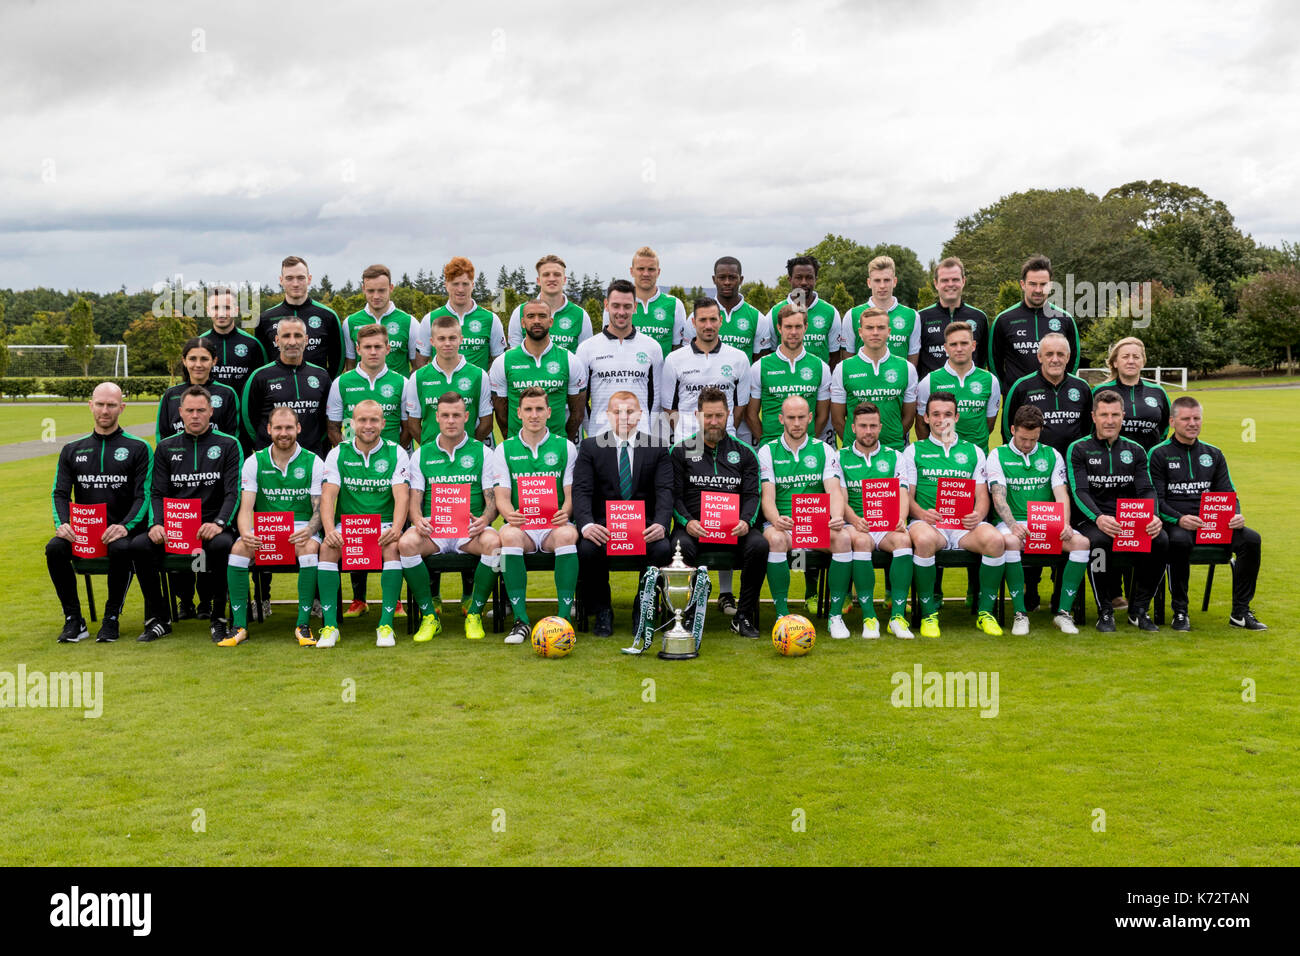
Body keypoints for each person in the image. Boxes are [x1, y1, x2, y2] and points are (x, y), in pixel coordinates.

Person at [129, 386, 242, 643]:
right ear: (180, 413)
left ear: (211, 411)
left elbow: (232, 492)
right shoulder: (166, 447)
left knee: (223, 545)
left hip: (212, 525)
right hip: (176, 527)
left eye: (201, 410)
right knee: (139, 546)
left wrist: (219, 523)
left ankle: (218, 617)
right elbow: (157, 492)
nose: (195, 416)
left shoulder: (228, 444)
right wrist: (156, 524)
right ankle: (158, 618)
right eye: (189, 411)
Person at [1148, 396, 1265, 631]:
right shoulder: (1158, 454)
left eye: (1197, 418)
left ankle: (1240, 612)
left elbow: (1229, 492)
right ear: (1172, 421)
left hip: (1214, 525)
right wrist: (1179, 519)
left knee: (1251, 539)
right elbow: (1156, 501)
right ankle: (1180, 612)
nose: (1192, 423)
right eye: (1186, 419)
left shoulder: (1214, 453)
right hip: (1177, 523)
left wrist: (1236, 514)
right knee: (1179, 541)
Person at [47, 383, 152, 644]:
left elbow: (145, 495)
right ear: (91, 405)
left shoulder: (139, 447)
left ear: (122, 408)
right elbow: (60, 493)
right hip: (84, 534)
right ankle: (74, 619)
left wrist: (126, 526)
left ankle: (111, 618)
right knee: (55, 548)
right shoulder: (72, 449)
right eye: (101, 404)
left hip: (121, 531)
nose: (105, 410)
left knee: (121, 548)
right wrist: (63, 524)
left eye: (111, 405)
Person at [900, 391, 1007, 638]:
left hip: (962, 525)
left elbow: (982, 495)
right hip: (928, 523)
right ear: (925, 418)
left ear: (957, 416)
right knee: (924, 541)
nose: (942, 419)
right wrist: (922, 514)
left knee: (995, 540)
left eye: (948, 414)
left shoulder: (974, 452)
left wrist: (978, 515)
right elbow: (907, 496)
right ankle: (928, 614)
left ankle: (985, 613)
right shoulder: (914, 451)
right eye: (935, 414)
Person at [1000, 331, 1092, 612]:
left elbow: (1087, 431)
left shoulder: (1082, 388)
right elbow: (1008, 429)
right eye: (1049, 354)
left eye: (1060, 354)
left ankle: (1060, 594)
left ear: (1068, 358)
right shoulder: (1022, 386)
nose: (1055, 359)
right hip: (1032, 474)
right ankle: (1030, 590)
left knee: (1064, 531)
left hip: (1070, 476)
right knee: (1032, 529)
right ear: (1039, 356)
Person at [400, 393, 502, 644]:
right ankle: (428, 616)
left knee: (495, 543)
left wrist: (485, 519)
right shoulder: (421, 454)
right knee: (406, 543)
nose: (451, 420)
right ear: (436, 418)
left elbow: (493, 501)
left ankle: (475, 613)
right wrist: (417, 520)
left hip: (469, 530)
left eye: (457, 415)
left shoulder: (484, 452)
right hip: (434, 529)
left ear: (467, 417)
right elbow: (415, 499)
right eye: (445, 415)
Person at [220, 406, 324, 647]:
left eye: (289, 427)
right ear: (269, 430)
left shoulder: (314, 462)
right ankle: (239, 626)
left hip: (301, 529)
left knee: (309, 549)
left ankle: (303, 624)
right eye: (278, 427)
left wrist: (309, 530)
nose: (283, 432)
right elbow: (246, 508)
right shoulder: (255, 461)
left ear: (298, 429)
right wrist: (246, 533)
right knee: (237, 551)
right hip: (266, 529)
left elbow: (319, 510)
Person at [1065, 390, 1169, 632]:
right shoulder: (1078, 449)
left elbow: (1146, 489)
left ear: (1123, 416)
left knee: (1160, 540)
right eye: (1103, 415)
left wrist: (1152, 515)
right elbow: (1080, 491)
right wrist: (1098, 518)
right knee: (1099, 542)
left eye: (1114, 415)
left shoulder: (1136, 450)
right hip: (1092, 519)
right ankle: (1105, 610)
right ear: (1093, 416)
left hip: (1129, 518)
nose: (1109, 421)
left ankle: (1139, 609)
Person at [572, 391, 674, 636]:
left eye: (630, 411)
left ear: (640, 415)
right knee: (587, 548)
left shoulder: (657, 447)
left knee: (662, 548)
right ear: (608, 415)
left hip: (644, 526)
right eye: (617, 412)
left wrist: (661, 523)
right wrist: (586, 525)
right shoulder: (590, 447)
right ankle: (603, 609)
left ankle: (644, 606)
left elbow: (665, 490)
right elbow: (581, 491)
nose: (624, 417)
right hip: (605, 526)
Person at [669, 387, 767, 638]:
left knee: (758, 545)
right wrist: (688, 521)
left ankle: (743, 616)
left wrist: (746, 522)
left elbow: (753, 496)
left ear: (729, 416)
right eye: (708, 416)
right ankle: (687, 615)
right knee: (680, 545)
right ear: (697, 415)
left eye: (719, 416)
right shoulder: (681, 451)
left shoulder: (745, 453)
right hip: (694, 529)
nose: (714, 422)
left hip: (733, 529)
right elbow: (673, 497)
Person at [986, 404, 1090, 636]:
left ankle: (1063, 613)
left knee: (1081, 543)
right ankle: (1020, 614)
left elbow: (1060, 492)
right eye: (1023, 438)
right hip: (1010, 523)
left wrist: (1064, 523)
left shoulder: (1051, 454)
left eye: (1033, 439)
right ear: (1012, 429)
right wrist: (1013, 525)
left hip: (1045, 522)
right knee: (1011, 542)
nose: (1027, 444)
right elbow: (998, 495)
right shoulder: (997, 455)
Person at [315, 400, 411, 649]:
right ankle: (330, 626)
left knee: (392, 548)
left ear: (383, 423)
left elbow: (402, 496)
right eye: (362, 420)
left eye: (374, 420)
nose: (368, 425)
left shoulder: (396, 451)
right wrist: (328, 531)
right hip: (348, 527)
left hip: (384, 526)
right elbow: (328, 496)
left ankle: (386, 624)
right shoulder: (338, 452)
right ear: (352, 423)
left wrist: (397, 529)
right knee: (327, 548)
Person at [758, 396, 854, 639]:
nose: (797, 423)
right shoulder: (768, 451)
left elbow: (832, 489)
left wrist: (837, 516)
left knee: (842, 539)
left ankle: (835, 616)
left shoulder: (824, 449)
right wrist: (776, 518)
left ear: (811, 418)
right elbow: (767, 496)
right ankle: (782, 615)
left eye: (802, 417)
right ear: (781, 419)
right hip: (785, 525)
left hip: (815, 525)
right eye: (791, 418)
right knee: (775, 539)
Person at [491, 388, 580, 645]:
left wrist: (567, 511)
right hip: (524, 527)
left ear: (549, 412)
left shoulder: (565, 446)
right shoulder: (504, 449)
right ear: (518, 413)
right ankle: (521, 620)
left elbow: (570, 492)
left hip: (554, 526)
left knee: (567, 535)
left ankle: (563, 621)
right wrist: (509, 514)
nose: (534, 415)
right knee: (506, 535)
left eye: (539, 409)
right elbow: (502, 496)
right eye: (528, 409)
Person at [836, 402, 916, 639]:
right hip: (857, 524)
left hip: (886, 524)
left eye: (872, 426)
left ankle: (897, 617)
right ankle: (869, 617)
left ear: (881, 427)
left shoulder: (895, 456)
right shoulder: (839, 457)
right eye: (863, 426)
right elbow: (840, 497)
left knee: (903, 541)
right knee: (860, 542)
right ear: (853, 428)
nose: (868, 431)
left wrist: (901, 519)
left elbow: (903, 492)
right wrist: (854, 518)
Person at [575, 279, 664, 437]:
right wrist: (594, 431)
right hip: (600, 439)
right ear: (606, 305)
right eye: (616, 306)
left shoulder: (652, 347)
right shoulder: (587, 349)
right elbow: (581, 402)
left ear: (635, 307)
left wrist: (647, 432)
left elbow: (655, 401)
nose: (621, 312)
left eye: (627, 306)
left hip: (640, 439)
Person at [490, 299, 588, 440]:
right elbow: (500, 414)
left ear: (551, 321)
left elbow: (577, 413)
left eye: (542, 316)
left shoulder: (570, 360)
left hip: (556, 449)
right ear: (523, 323)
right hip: (517, 449)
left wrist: (562, 442)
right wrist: (514, 443)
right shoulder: (503, 361)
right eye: (531, 316)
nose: (536, 321)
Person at [660, 297, 751, 444]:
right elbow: (669, 408)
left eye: (713, 319)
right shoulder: (674, 359)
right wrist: (686, 435)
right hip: (688, 442)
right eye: (702, 320)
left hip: (725, 441)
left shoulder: (739, 358)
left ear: (721, 321)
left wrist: (723, 430)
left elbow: (739, 408)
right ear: (693, 323)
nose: (708, 325)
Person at [242, 316, 332, 457]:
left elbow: (327, 419)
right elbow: (248, 422)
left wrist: (314, 444)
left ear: (306, 339)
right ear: (277, 341)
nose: (292, 342)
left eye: (297, 336)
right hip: (271, 459)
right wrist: (264, 447)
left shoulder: (322, 376)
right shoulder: (260, 376)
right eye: (286, 336)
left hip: (311, 458)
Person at [989, 254, 1081, 393]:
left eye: (1043, 284)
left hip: (1053, 396)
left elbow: (1073, 359)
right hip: (1018, 399)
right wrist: (1009, 391)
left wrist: (1061, 386)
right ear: (1023, 284)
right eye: (1032, 284)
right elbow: (993, 363)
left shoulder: (1065, 319)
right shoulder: (1004, 319)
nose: (1038, 290)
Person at [830, 307, 917, 449]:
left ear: (889, 332)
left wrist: (892, 439)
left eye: (881, 328)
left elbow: (908, 417)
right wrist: (858, 444)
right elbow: (838, 419)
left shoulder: (907, 368)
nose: (875, 333)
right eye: (869, 328)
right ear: (860, 332)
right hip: (854, 453)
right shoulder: (843, 368)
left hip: (894, 451)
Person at [746, 304, 832, 447]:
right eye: (788, 327)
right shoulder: (760, 367)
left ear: (806, 327)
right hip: (771, 448)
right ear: (779, 328)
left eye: (798, 327)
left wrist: (806, 442)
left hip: (807, 448)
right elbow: (751, 415)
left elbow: (822, 416)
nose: (793, 332)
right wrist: (767, 443)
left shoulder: (820, 366)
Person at [403, 314, 493, 447]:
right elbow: (413, 424)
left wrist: (468, 447)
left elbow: (486, 423)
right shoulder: (418, 377)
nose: (447, 343)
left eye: (452, 338)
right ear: (432, 342)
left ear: (461, 339)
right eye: (441, 339)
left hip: (467, 457)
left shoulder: (479, 375)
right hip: (432, 459)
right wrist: (432, 450)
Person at [254, 256, 344, 378]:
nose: (295, 284)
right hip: (277, 391)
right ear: (281, 280)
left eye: (300, 278)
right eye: (289, 278)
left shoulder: (328, 316)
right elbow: (261, 361)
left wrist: (325, 383)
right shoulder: (265, 319)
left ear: (309, 279)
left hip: (316, 390)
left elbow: (338, 359)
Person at [915, 321, 1000, 450]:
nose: (959, 349)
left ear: (973, 345)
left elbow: (989, 424)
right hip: (943, 460)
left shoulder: (990, 380)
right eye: (953, 344)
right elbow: (921, 423)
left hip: (978, 458)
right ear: (946, 348)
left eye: (964, 343)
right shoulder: (929, 381)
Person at [418, 257, 505, 372]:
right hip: (441, 389)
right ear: (446, 285)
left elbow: (500, 364)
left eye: (465, 284)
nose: (460, 289)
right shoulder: (430, 319)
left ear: (472, 285)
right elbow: (420, 364)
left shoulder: (490, 319)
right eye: (455, 284)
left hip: (476, 389)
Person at [915, 257, 989, 380]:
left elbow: (983, 358)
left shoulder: (979, 317)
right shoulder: (920, 318)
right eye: (945, 280)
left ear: (963, 281)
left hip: (969, 393)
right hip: (933, 394)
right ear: (936, 283)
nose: (950, 284)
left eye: (955, 279)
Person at [759, 256, 841, 367]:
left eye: (809, 278)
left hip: (818, 381)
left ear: (816, 279)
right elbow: (770, 352)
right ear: (790, 279)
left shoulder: (830, 312)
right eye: (798, 277)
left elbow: (835, 355)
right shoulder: (774, 313)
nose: (804, 282)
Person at [342, 264, 422, 376]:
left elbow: (418, 368)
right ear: (363, 289)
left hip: (397, 392)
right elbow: (350, 367)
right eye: (371, 291)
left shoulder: (409, 322)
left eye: (381, 290)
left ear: (391, 288)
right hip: (363, 392)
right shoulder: (350, 323)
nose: (376, 296)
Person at [1092, 336, 1170, 452]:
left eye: (1136, 357)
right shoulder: (1100, 391)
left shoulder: (1158, 392)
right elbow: (1089, 428)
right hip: (1111, 463)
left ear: (1143, 362)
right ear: (1115, 362)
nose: (1131, 361)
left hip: (1149, 463)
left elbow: (1165, 428)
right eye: (1125, 357)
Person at [839, 255, 920, 365]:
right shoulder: (852, 315)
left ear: (895, 281)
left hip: (898, 381)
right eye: (877, 280)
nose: (882, 286)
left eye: (887, 280)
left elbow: (912, 360)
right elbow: (848, 361)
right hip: (863, 382)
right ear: (869, 283)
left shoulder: (912, 316)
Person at [198, 286, 266, 412]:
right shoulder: (199, 344)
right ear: (208, 311)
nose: (222, 313)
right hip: (208, 416)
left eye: (227, 308)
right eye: (216, 308)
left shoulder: (253, 344)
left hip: (245, 414)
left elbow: (262, 384)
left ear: (236, 310)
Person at [157, 338, 240, 440]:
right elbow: (162, 436)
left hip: (216, 454)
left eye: (204, 359)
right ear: (184, 361)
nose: (198, 365)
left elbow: (232, 436)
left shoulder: (227, 393)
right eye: (192, 359)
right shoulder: (171, 394)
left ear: (214, 361)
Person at [507, 254, 593, 352]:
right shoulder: (520, 312)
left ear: (564, 280)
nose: (551, 279)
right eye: (546, 274)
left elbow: (585, 356)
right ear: (538, 281)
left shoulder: (580, 315)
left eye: (557, 274)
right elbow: (514, 356)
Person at [626, 245, 687, 359]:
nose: (646, 274)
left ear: (658, 272)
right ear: (632, 271)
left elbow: (678, 348)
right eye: (641, 269)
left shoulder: (675, 305)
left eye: (651, 269)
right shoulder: (618, 305)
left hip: (662, 376)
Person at [709, 256, 768, 359]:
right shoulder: (699, 316)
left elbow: (759, 364)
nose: (727, 282)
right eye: (722, 277)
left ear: (741, 280)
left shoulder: (758, 318)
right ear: (714, 280)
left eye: (732, 277)